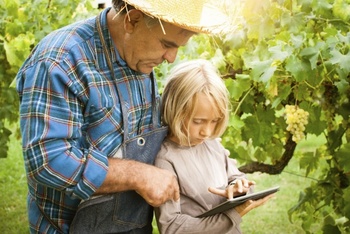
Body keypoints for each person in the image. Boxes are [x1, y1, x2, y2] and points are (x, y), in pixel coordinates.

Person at [15, 0, 231, 233]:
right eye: (167, 44)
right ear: (133, 20)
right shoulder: (60, 61)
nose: (171, 58)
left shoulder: (139, 55)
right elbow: (48, 162)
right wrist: (137, 174)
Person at [154, 59, 274, 234]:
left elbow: (236, 177)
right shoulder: (166, 159)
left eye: (214, 121)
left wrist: (239, 186)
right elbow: (172, 226)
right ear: (175, 110)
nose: (207, 131)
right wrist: (232, 215)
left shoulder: (211, 144)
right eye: (198, 121)